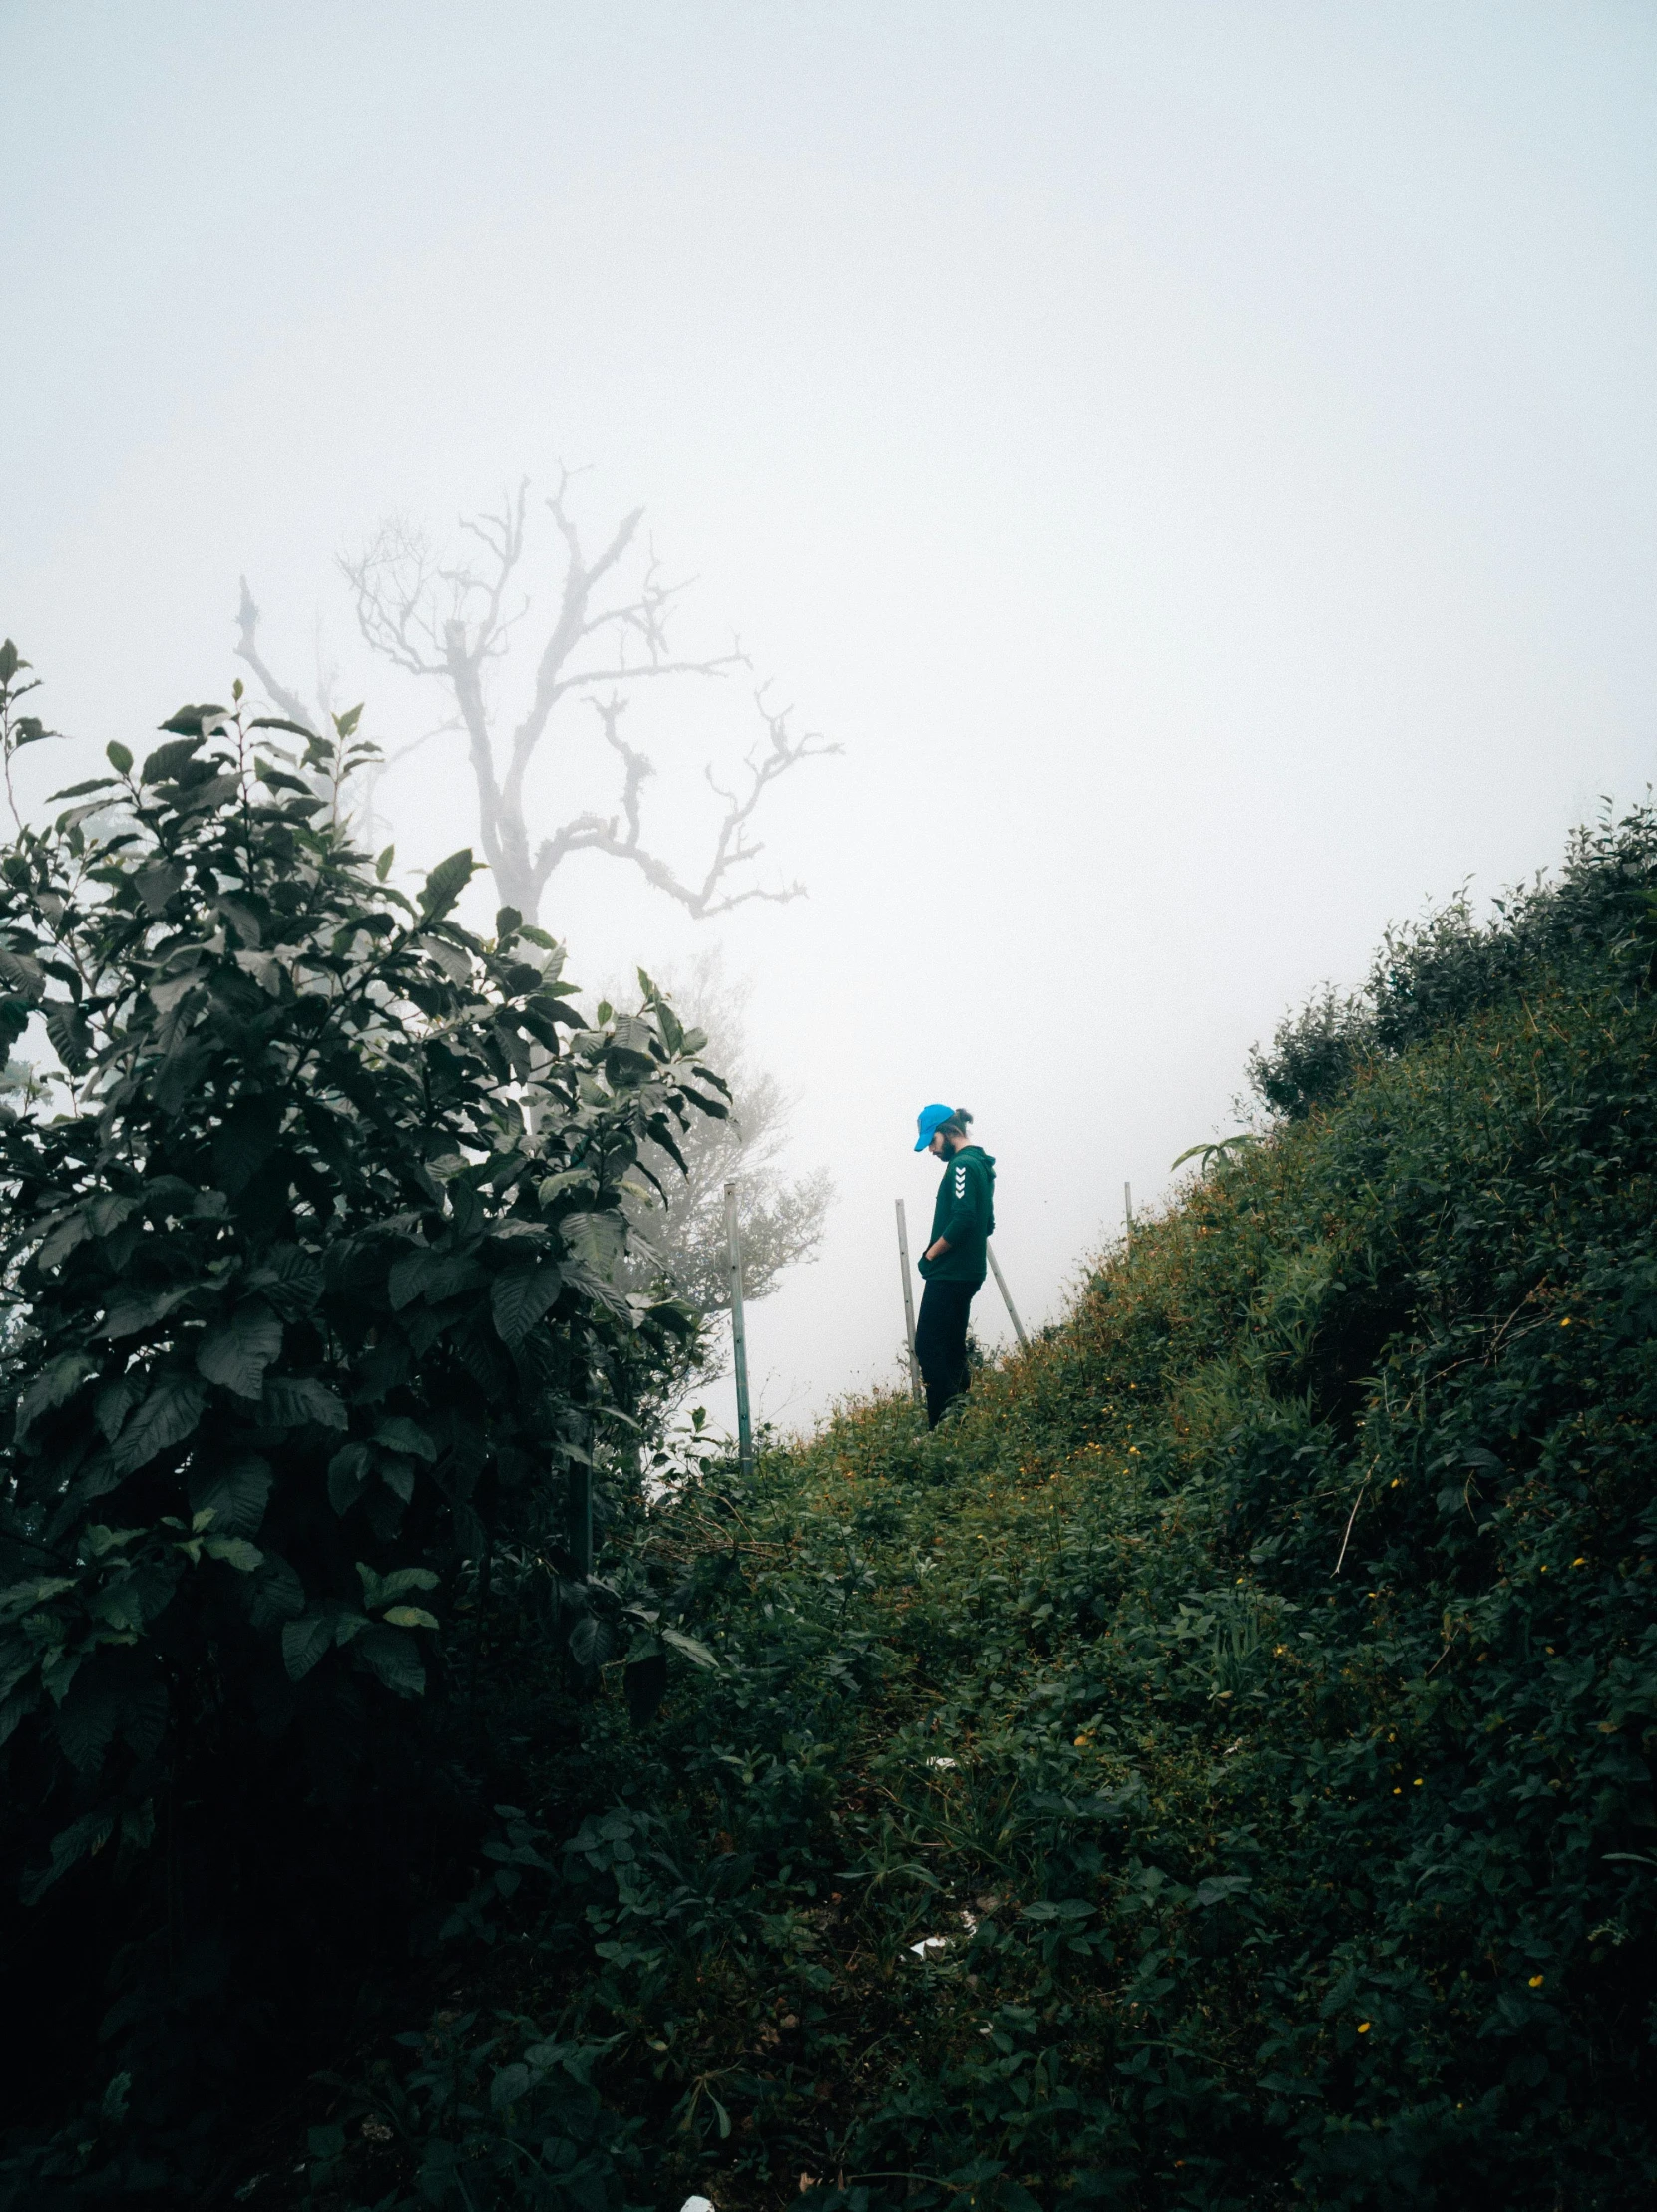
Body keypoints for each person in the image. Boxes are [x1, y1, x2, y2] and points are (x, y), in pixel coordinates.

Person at [912, 1103, 997, 1428]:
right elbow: (987, 1223)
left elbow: (964, 1218)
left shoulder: (961, 1167)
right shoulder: (982, 1164)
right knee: (951, 1346)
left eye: (931, 1141)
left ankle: (943, 1426)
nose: (930, 1150)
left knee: (928, 1346)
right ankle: (960, 1419)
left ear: (949, 1132)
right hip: (970, 1271)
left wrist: (931, 1254)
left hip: (950, 1272)